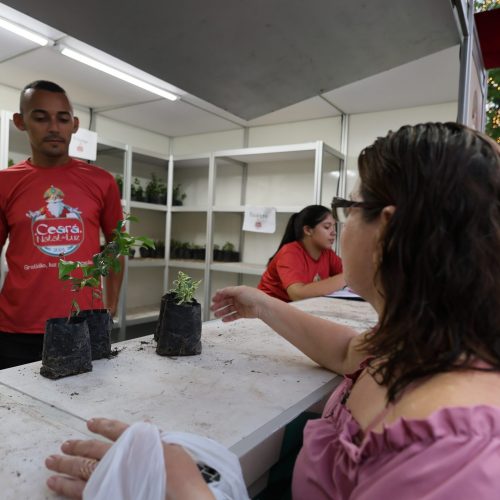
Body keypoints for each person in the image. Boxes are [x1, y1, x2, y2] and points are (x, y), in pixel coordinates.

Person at [44, 122, 500, 499]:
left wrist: (187, 490)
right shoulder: (419, 343)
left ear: (389, 228)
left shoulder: (454, 461)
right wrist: (263, 304)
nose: (338, 227)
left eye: (346, 208)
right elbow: (347, 350)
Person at [0, 80, 124, 369]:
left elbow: (117, 244)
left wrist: (111, 304)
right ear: (20, 121)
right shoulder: (4, 182)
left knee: (84, 409)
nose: (54, 127)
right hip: (16, 330)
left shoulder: (101, 181)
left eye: (63, 118)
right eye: (41, 118)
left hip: (85, 324)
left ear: (75, 124)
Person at [257, 205, 344, 301]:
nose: (334, 232)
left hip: (298, 308)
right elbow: (297, 295)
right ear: (308, 230)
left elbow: (348, 273)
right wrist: (346, 278)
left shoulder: (327, 253)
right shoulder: (290, 253)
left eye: (334, 226)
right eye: (327, 227)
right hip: (266, 309)